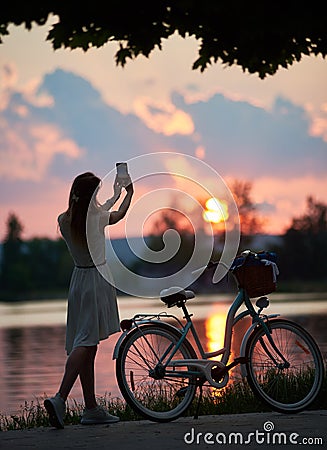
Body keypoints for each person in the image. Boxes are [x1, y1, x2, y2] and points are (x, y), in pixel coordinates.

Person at [44, 171, 134, 428]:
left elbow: (97, 210)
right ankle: (60, 398)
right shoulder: (96, 219)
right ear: (91, 196)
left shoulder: (64, 220)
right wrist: (129, 194)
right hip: (96, 280)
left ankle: (91, 407)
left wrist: (115, 195)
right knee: (86, 342)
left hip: (78, 282)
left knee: (87, 343)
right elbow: (116, 215)